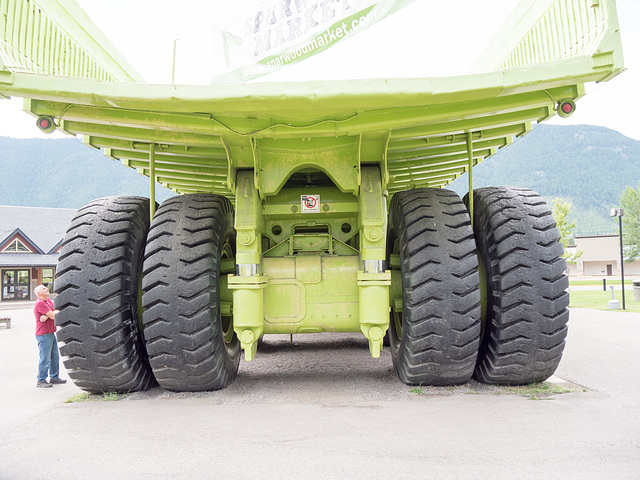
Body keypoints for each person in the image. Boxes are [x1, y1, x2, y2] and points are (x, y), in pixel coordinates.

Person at [33, 284, 67, 388]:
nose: (46, 288)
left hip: (51, 332)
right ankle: (41, 380)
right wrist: (50, 315)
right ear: (39, 294)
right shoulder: (40, 303)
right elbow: (53, 315)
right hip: (43, 335)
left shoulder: (48, 300)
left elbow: (52, 313)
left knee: (54, 356)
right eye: (43, 288)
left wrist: (48, 315)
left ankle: (54, 377)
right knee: (45, 358)